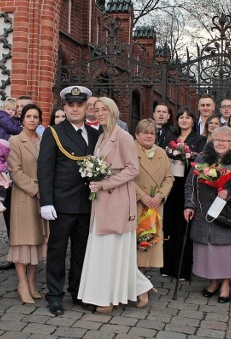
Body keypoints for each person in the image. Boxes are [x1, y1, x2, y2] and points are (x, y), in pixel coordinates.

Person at [78, 97, 154, 313]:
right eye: (97, 110)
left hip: (118, 199)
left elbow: (133, 169)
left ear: (113, 112)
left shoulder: (124, 137)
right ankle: (139, 287)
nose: (100, 113)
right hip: (102, 200)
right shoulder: (102, 136)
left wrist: (105, 183)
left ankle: (108, 299)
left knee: (112, 249)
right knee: (104, 250)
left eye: (105, 110)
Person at [38, 86, 100, 316]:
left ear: (86, 107)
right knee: (57, 251)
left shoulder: (95, 134)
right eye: (71, 105)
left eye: (80, 105)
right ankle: (54, 296)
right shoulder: (53, 132)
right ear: (64, 107)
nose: (75, 109)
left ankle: (78, 292)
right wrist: (46, 202)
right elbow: (44, 169)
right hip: (62, 204)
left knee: (81, 252)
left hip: (87, 202)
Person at [183, 126, 231, 303]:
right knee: (208, 249)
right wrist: (189, 205)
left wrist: (230, 193)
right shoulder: (202, 158)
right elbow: (190, 185)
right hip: (204, 211)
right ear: (212, 140)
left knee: (226, 250)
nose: (221, 143)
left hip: (227, 213)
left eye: (226, 140)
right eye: (218, 140)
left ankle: (225, 284)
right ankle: (213, 281)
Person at [6, 104, 48, 304]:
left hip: (42, 197)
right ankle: (22, 283)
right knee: (23, 242)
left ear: (40, 120)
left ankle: (31, 281)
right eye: (28, 116)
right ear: (22, 119)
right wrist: (36, 189)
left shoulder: (43, 140)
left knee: (37, 240)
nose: (32, 119)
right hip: (24, 196)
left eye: (35, 116)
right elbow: (15, 170)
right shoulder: (15, 141)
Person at [161, 107, 206, 280]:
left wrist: (186, 156)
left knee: (184, 228)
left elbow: (200, 162)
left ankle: (182, 269)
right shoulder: (169, 137)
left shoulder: (199, 140)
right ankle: (166, 266)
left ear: (193, 121)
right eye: (181, 117)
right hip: (171, 186)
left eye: (188, 117)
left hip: (187, 187)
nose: (184, 120)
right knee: (169, 226)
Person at [133, 119, 174, 273]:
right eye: (144, 132)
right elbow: (125, 177)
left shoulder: (161, 152)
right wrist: (141, 195)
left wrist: (161, 194)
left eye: (152, 133)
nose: (149, 136)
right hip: (136, 205)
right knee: (135, 244)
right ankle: (135, 281)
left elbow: (169, 177)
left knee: (149, 245)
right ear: (136, 135)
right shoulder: (130, 150)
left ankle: (142, 278)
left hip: (155, 206)